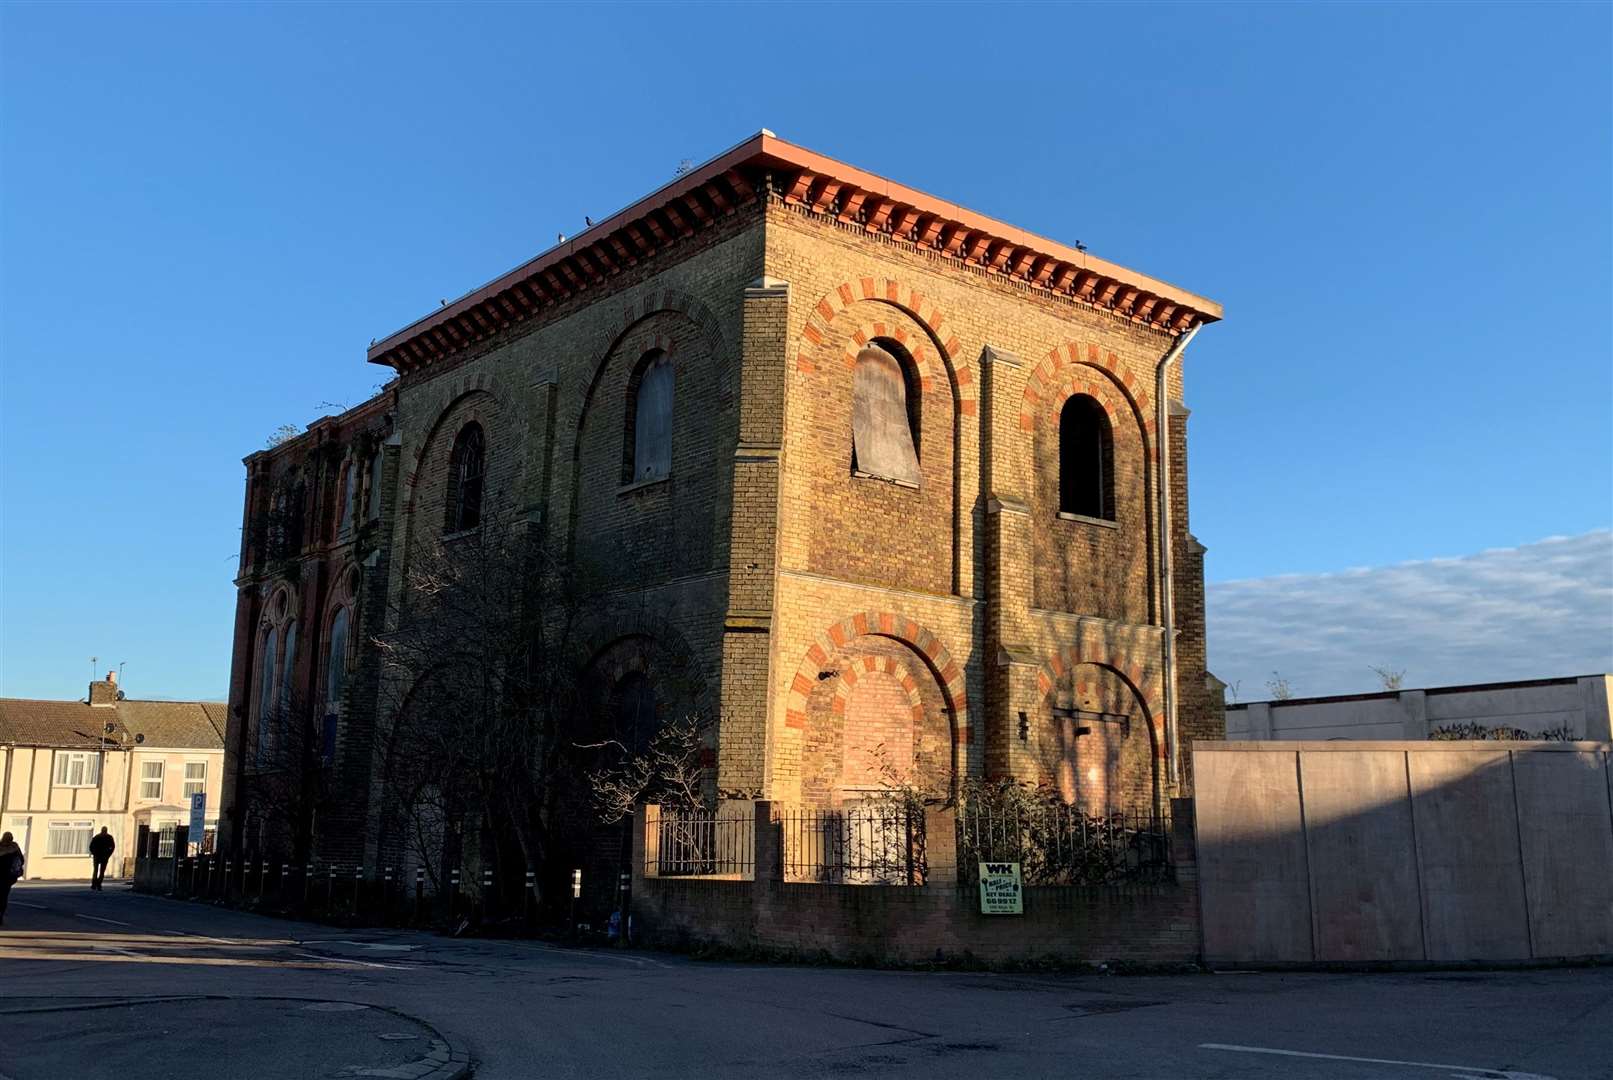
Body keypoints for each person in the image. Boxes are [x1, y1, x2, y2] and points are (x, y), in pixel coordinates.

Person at [0, 831, 24, 925]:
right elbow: (22, 860)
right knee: (4, 896)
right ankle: (1, 914)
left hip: (1, 876)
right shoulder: (15, 847)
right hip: (9, 877)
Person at [89, 826, 116, 891]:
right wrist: (108, 854)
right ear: (106, 830)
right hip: (104, 856)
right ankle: (98, 884)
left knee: (95, 870)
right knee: (102, 871)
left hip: (97, 856)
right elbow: (112, 847)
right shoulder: (109, 837)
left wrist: (94, 853)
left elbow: (91, 846)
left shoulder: (97, 837)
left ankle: (94, 884)